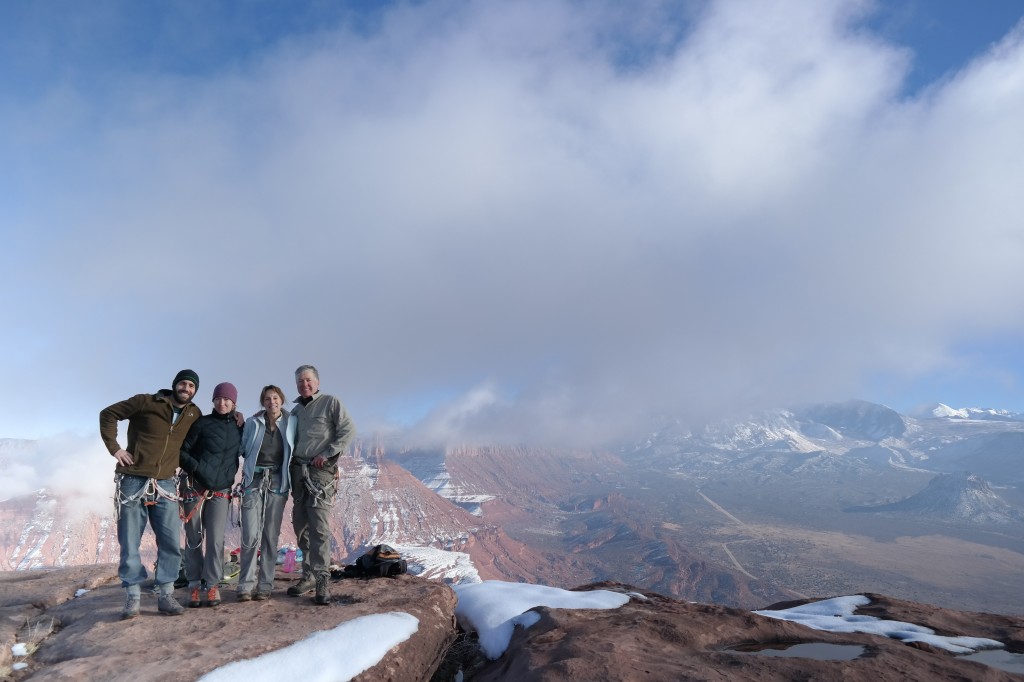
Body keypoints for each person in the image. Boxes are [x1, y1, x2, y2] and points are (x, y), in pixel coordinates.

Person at [99, 369, 202, 619]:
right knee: (130, 540)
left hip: (165, 482)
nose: (186, 389)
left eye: (191, 386)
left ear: (194, 390)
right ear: (174, 385)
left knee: (169, 541)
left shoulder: (193, 413)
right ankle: (132, 596)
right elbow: (108, 414)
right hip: (133, 479)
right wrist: (115, 449)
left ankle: (165, 594)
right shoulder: (146, 402)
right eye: (183, 384)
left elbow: (208, 431)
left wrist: (236, 416)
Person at [287, 364, 355, 605]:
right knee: (301, 526)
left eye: (308, 380)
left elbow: (348, 430)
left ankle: (322, 580)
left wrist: (327, 453)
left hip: (320, 473)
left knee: (319, 527)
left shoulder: (330, 402)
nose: (304, 385)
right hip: (298, 472)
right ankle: (308, 575)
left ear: (316, 381)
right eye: (299, 382)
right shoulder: (294, 412)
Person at [178, 382, 243, 608]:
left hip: (221, 490)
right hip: (195, 485)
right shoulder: (202, 424)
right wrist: (197, 468)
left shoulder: (239, 427)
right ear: (213, 400)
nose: (222, 403)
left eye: (227, 400)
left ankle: (212, 584)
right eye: (218, 399)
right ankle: (194, 584)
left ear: (234, 403)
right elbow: (182, 451)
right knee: (194, 537)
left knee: (215, 539)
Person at [236, 384, 295, 602]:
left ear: (282, 399)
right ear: (263, 402)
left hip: (278, 481)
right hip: (253, 480)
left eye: (276, 398)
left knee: (270, 535)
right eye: (268, 399)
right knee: (250, 534)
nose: (272, 402)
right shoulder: (253, 422)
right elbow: (241, 448)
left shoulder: (291, 422)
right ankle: (245, 585)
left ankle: (265, 585)